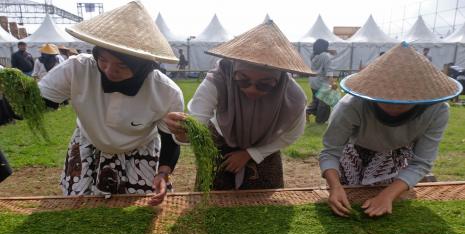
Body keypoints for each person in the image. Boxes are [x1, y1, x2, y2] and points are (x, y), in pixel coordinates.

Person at [38, 1, 183, 205]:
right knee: (81, 206)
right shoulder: (77, 69)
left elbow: (170, 140)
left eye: (122, 65)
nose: (108, 70)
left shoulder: (165, 91)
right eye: (103, 59)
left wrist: (163, 173)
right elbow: (40, 102)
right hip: (89, 143)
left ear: (143, 65)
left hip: (140, 149)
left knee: (137, 205)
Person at [165, 21, 314, 190]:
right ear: (233, 72)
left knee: (263, 202)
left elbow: (291, 135)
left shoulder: (293, 97)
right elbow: (198, 119)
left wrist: (251, 154)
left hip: (265, 149)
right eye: (243, 80)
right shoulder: (218, 80)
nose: (251, 89)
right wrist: (184, 131)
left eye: (264, 84)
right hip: (220, 142)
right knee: (212, 197)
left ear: (279, 82)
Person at [320, 42, 462, 217]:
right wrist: (335, 186)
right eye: (386, 98)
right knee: (347, 198)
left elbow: (422, 162)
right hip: (355, 153)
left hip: (398, 154)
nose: (393, 106)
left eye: (404, 101)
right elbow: (331, 152)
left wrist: (388, 195)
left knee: (391, 204)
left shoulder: (437, 111)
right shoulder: (350, 105)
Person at [306, 38, 336, 124]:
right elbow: (329, 71)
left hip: (313, 81)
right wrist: (332, 83)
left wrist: (328, 51)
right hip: (322, 82)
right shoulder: (326, 56)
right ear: (324, 47)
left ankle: (306, 111)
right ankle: (320, 120)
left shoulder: (313, 55)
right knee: (323, 103)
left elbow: (321, 51)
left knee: (316, 100)